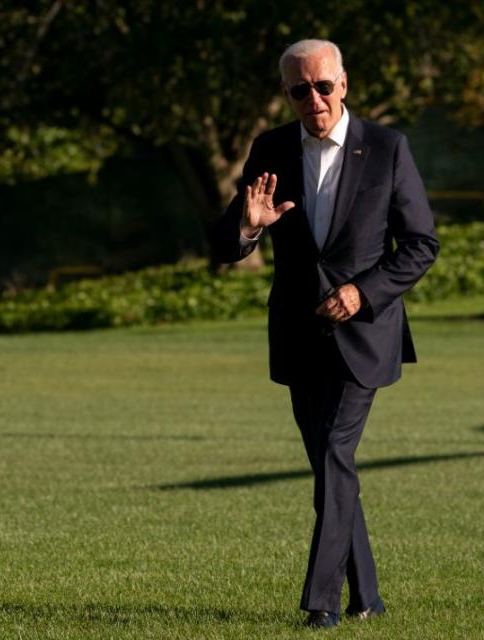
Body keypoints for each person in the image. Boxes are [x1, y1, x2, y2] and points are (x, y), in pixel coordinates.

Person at [212, 40, 438, 628]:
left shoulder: (388, 148)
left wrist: (364, 292)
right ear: (285, 93)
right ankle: (368, 597)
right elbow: (222, 245)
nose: (312, 98)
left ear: (344, 84)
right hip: (297, 335)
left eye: (323, 86)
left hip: (364, 336)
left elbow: (420, 245)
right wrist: (247, 225)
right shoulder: (271, 148)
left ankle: (321, 604)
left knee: (336, 452)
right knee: (331, 467)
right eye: (298, 90)